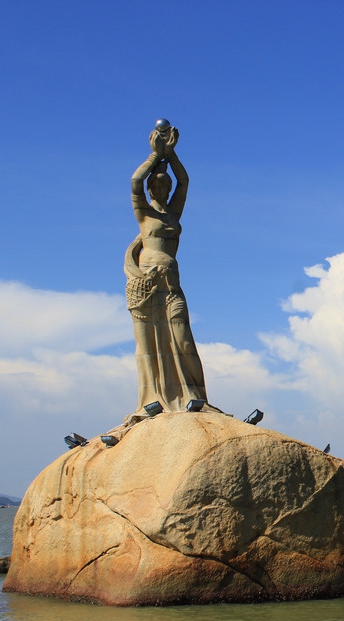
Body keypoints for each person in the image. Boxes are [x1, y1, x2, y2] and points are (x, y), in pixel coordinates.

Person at [125, 123, 207, 414]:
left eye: (164, 185)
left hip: (172, 287)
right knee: (147, 347)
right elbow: (135, 182)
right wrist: (153, 156)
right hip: (145, 286)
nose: (160, 188)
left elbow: (184, 182)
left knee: (183, 337)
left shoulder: (173, 213)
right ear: (151, 188)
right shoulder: (144, 214)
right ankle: (151, 400)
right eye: (156, 185)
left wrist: (170, 155)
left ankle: (193, 396)